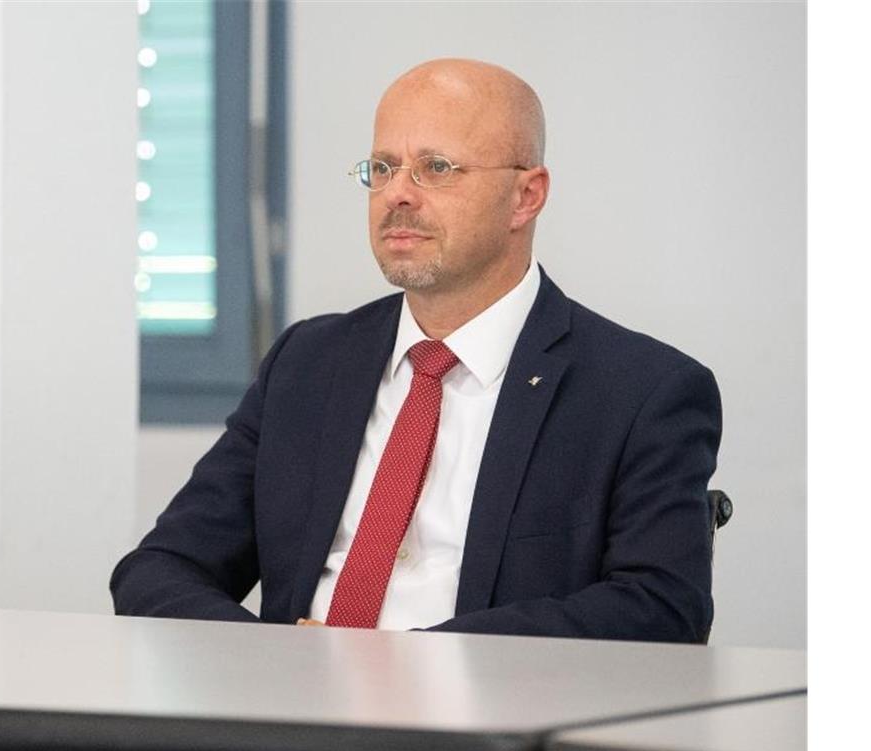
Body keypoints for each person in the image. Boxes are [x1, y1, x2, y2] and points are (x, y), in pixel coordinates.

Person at [111, 59, 722, 643]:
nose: (397, 194)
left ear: (526, 197)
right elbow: (160, 570)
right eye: (382, 167)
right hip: (296, 720)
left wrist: (409, 664)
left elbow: (663, 606)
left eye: (436, 167)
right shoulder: (308, 361)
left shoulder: (642, 392)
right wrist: (278, 665)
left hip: (482, 733)